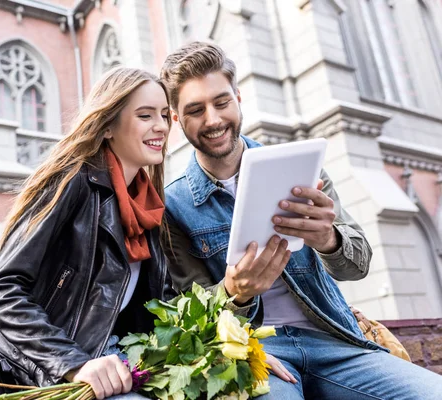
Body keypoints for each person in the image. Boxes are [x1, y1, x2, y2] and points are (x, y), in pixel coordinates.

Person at [160, 41, 442, 399]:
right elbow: (184, 310)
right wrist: (235, 294)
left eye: (221, 102)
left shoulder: (303, 167)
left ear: (238, 97)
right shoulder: (173, 204)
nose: (213, 119)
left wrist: (328, 239)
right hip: (257, 352)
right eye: (196, 109)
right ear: (174, 118)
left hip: (334, 342)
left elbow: (358, 266)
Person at [0, 67, 175, 400]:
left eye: (164, 115)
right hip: (46, 369)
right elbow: (2, 289)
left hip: (116, 362)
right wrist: (73, 364)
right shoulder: (71, 181)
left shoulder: (147, 204)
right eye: (145, 115)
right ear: (109, 125)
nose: (161, 126)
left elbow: (163, 306)